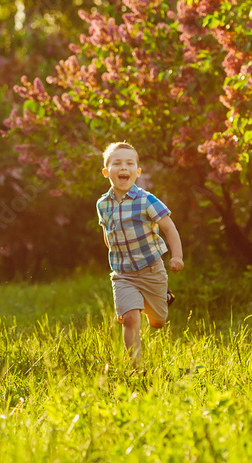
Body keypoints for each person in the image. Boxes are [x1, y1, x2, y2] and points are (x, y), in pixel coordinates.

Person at [97, 142, 185, 368]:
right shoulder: (103, 204)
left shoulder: (146, 200)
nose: (123, 167)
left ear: (137, 171)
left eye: (129, 163)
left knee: (157, 322)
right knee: (130, 318)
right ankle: (136, 368)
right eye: (117, 163)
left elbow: (169, 228)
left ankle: (161, 298)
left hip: (151, 269)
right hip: (123, 273)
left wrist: (177, 256)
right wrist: (114, 251)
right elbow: (107, 231)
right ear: (107, 172)